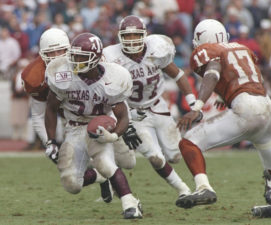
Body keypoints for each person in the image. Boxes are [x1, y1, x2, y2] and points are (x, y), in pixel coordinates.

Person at [174, 19, 271, 209]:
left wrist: (197, 107)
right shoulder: (241, 48)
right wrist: (228, 97)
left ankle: (203, 187)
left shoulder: (207, 51)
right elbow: (248, 76)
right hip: (267, 106)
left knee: (188, 142)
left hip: (247, 107)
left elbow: (213, 72)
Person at [44, 32, 142, 219]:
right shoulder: (63, 74)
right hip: (75, 128)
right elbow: (50, 108)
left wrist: (113, 136)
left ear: (95, 58)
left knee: (108, 163)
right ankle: (100, 177)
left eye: (82, 57)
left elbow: (122, 116)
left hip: (100, 125)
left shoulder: (112, 78)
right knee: (71, 184)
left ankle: (131, 204)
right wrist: (51, 141)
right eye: (74, 56)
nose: (75, 61)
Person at [103, 15, 195, 204]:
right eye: (127, 37)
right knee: (154, 157)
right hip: (134, 113)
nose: (131, 40)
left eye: (135, 35)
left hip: (157, 106)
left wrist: (193, 102)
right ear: (120, 37)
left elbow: (178, 75)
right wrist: (123, 121)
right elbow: (108, 94)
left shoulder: (156, 50)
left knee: (175, 156)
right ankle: (183, 190)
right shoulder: (112, 58)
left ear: (144, 35)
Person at [21, 28, 113, 203]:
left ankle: (116, 182)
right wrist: (49, 143)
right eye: (50, 52)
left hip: (95, 111)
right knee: (68, 169)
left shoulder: (84, 60)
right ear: (41, 54)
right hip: (67, 116)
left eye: (61, 51)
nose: (56, 56)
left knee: (113, 156)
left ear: (69, 49)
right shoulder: (35, 76)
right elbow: (39, 115)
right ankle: (101, 177)